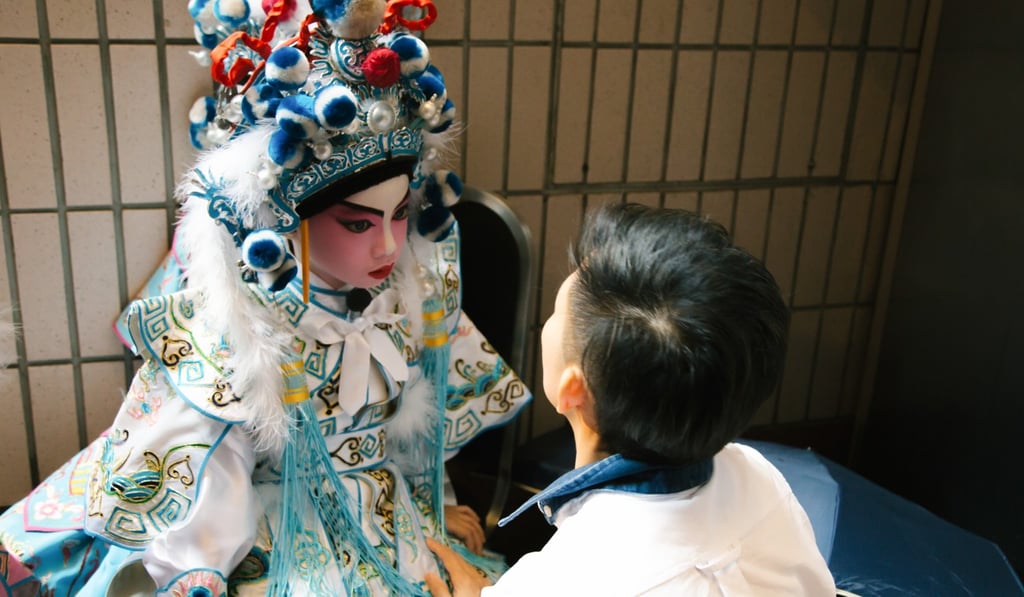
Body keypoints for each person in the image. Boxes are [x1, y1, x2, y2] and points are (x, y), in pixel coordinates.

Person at [0, 1, 530, 595]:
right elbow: (215, 466)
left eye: (401, 214)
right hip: (283, 535)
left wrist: (435, 504)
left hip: (395, 523)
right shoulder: (247, 321)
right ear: (291, 221)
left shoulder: (409, 294)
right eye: (358, 223)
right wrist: (199, 566)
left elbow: (417, 431)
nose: (387, 242)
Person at [425, 203, 835, 596]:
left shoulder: (559, 580)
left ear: (573, 389)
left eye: (556, 314)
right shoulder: (760, 478)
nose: (548, 326)